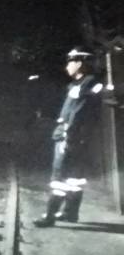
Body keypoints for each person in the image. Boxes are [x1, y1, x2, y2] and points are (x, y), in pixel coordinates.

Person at [34, 47, 104, 227]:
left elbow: (77, 114)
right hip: (81, 138)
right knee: (75, 177)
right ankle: (70, 213)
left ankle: (49, 215)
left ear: (79, 63)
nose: (67, 66)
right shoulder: (87, 84)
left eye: (70, 62)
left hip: (70, 136)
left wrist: (67, 136)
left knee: (59, 176)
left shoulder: (84, 85)